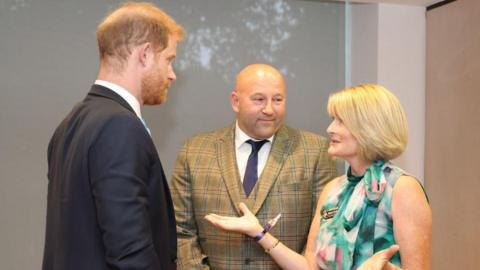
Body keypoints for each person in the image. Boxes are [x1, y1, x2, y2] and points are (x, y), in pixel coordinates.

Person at [205, 84, 432, 269]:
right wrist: (257, 231)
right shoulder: (333, 189)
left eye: (340, 121)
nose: (330, 129)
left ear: (369, 128)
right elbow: (309, 266)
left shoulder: (402, 188)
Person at [42, 3, 184, 270]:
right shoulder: (120, 126)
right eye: (169, 59)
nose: (172, 74)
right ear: (145, 54)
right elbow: (131, 253)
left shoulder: (70, 124)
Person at [169, 63, 338, 269]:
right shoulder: (194, 152)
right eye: (259, 99)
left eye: (277, 100)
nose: (269, 109)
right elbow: (181, 231)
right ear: (235, 101)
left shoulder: (316, 151)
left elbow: (326, 233)